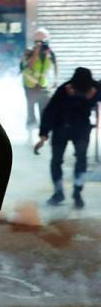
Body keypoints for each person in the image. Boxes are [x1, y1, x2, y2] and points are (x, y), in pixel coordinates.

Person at [35, 67, 99, 209]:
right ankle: (59, 192)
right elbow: (50, 111)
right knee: (57, 161)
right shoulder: (64, 89)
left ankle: (77, 192)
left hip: (81, 129)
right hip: (61, 128)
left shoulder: (94, 87)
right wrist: (44, 134)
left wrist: (94, 95)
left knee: (80, 160)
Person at [20, 28, 59, 132]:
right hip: (30, 86)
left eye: (42, 42)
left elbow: (56, 66)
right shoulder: (29, 52)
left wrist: (55, 80)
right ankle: (30, 133)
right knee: (31, 111)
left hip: (43, 86)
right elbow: (28, 68)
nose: (40, 44)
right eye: (37, 42)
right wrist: (36, 53)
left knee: (44, 111)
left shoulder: (50, 53)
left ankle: (44, 133)